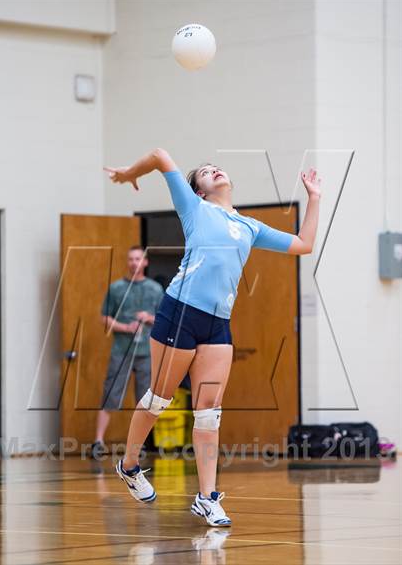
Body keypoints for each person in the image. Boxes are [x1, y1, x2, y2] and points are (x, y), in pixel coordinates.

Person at [103, 148, 321, 526]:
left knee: (209, 413)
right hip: (180, 311)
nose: (214, 170)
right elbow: (159, 155)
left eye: (216, 167)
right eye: (205, 171)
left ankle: (207, 497)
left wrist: (314, 198)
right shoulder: (194, 209)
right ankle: (129, 464)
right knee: (159, 398)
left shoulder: (250, 226)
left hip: (218, 322)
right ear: (199, 191)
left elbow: (304, 244)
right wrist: (128, 174)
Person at [91, 245, 164, 459]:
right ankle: (98, 441)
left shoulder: (155, 289)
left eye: (138, 258)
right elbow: (105, 317)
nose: (134, 262)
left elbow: (164, 320)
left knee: (145, 399)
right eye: (130, 259)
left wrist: (148, 318)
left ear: (145, 262)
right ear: (127, 262)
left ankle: (138, 445)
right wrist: (125, 327)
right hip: (121, 350)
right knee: (111, 394)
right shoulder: (116, 288)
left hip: (146, 351)